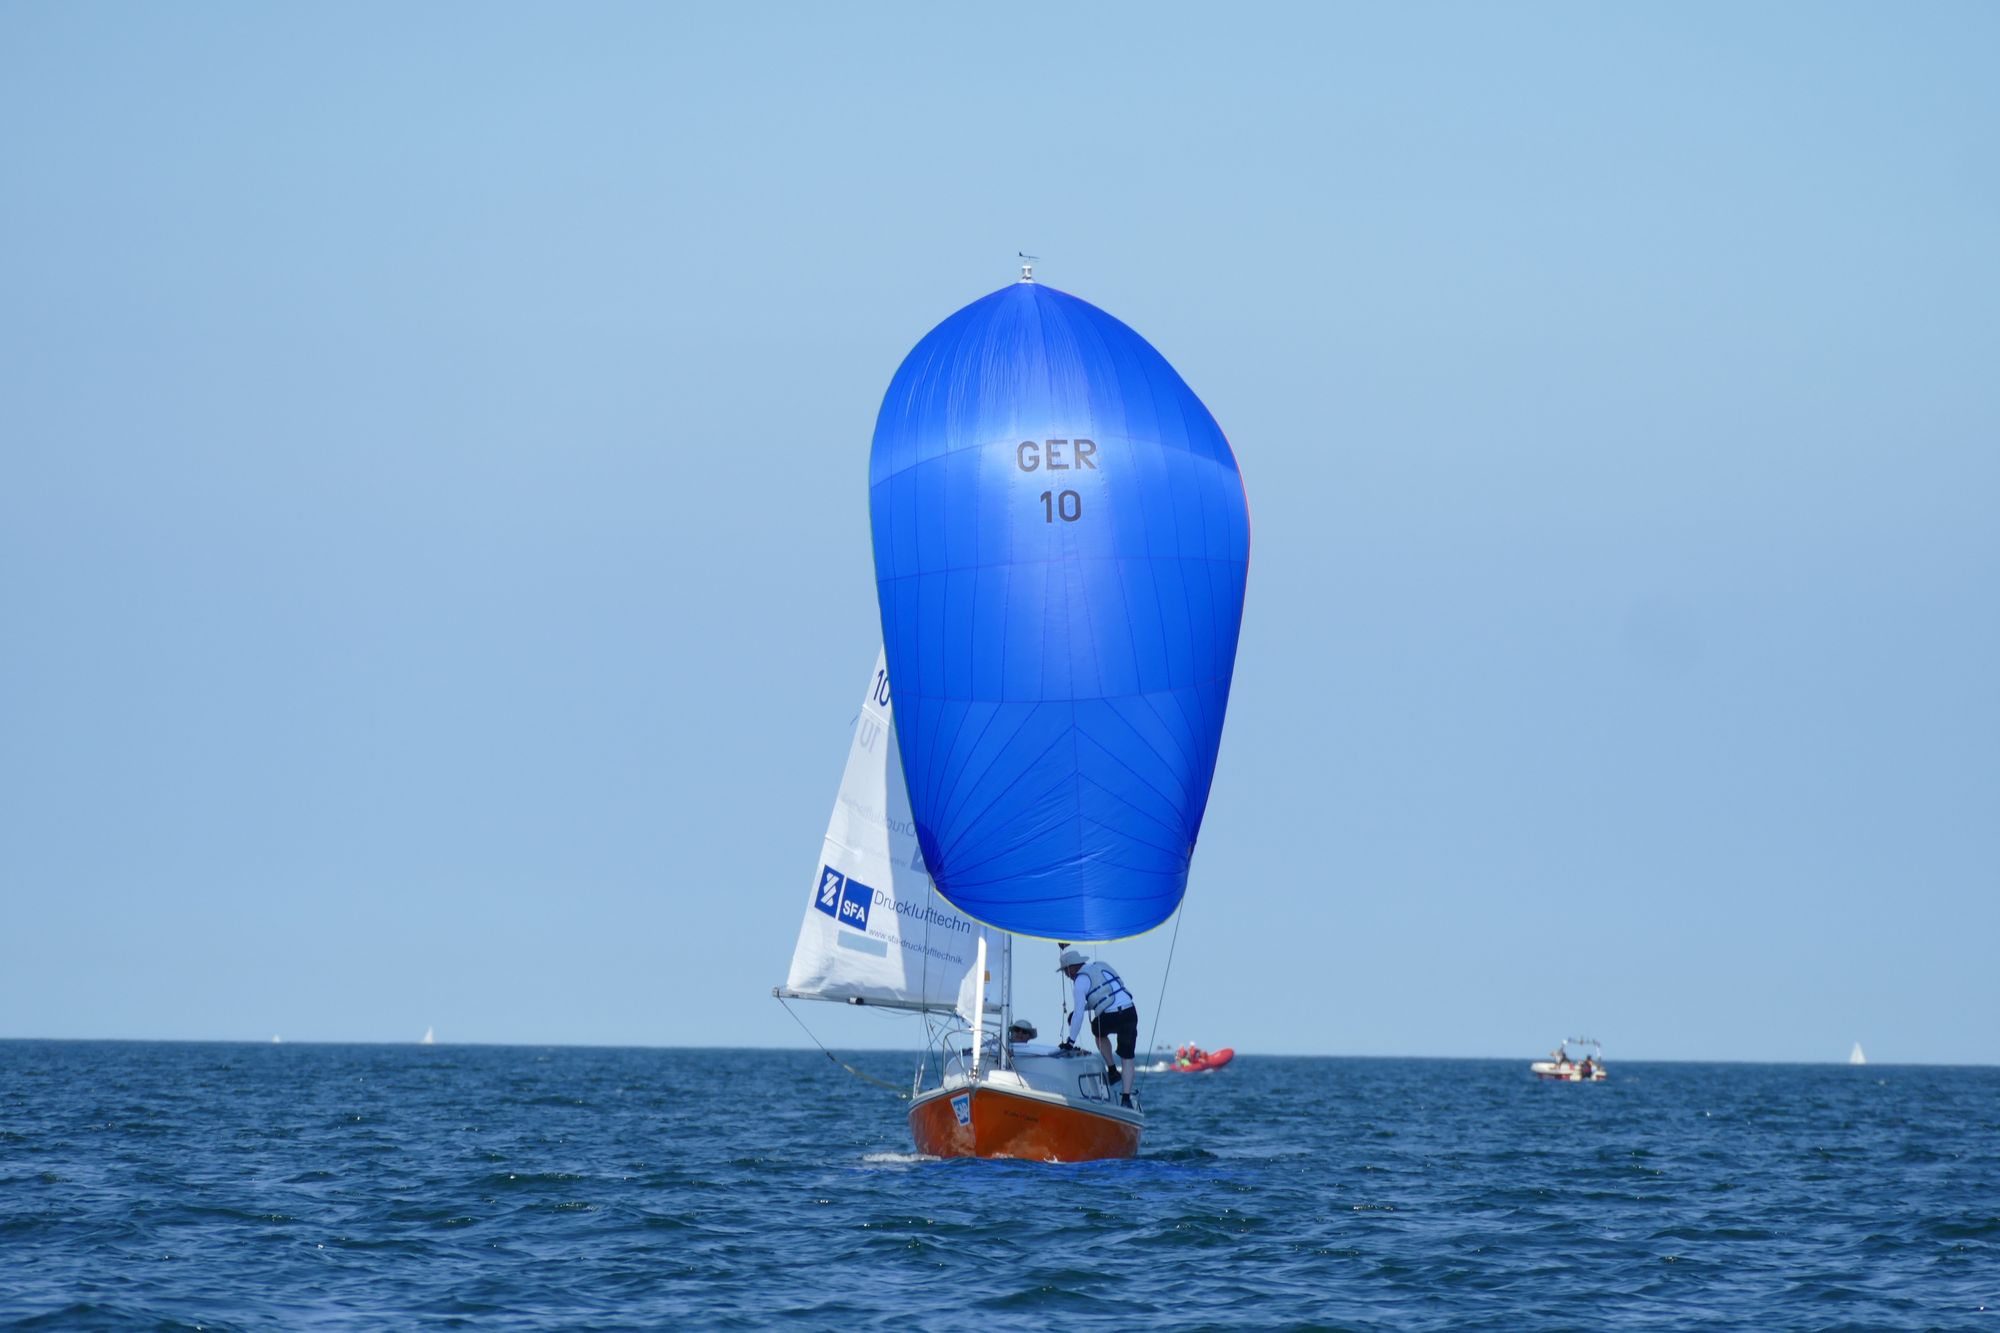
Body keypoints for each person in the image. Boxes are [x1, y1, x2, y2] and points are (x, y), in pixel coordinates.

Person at [1057, 948, 1139, 1107]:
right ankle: (1126, 1098)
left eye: (1065, 971)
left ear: (1072, 967)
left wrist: (1070, 1042)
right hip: (1130, 1012)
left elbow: (1078, 1014)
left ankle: (1112, 1069)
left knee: (1098, 1030)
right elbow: (1105, 995)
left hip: (1109, 1016)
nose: (1066, 975)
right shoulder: (1101, 966)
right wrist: (1082, 1010)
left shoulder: (1080, 982)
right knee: (1127, 1057)